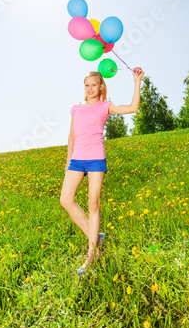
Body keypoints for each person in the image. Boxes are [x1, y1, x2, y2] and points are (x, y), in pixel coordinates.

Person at [60, 66, 144, 276]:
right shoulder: (76, 108)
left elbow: (133, 108)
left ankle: (92, 255)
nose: (90, 89)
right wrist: (68, 161)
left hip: (96, 157)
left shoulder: (105, 106)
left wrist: (137, 81)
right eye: (87, 85)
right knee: (66, 199)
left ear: (100, 87)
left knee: (93, 202)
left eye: (94, 85)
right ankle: (97, 237)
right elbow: (72, 136)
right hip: (77, 159)